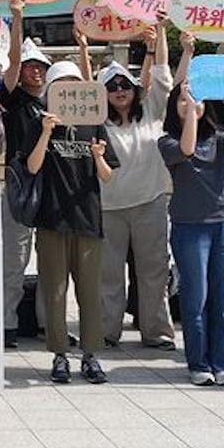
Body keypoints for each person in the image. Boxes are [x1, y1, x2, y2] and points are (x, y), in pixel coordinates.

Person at [78, 26, 177, 350]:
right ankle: (107, 331)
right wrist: (83, 46)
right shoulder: (96, 120)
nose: (119, 90)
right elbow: (86, 88)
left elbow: (162, 76)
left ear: (135, 89)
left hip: (149, 202)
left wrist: (159, 32)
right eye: (112, 87)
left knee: (154, 272)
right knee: (108, 276)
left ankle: (157, 331)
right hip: (108, 207)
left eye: (125, 85)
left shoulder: (151, 113)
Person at [161, 75, 224, 386]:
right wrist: (191, 111)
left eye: (198, 100)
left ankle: (221, 362)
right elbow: (187, 150)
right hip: (189, 228)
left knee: (222, 298)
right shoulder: (167, 141)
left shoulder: (217, 137)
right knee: (196, 296)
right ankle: (198, 362)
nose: (193, 104)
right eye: (184, 100)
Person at [25, 60, 118, 383]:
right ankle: (60, 354)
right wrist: (46, 132)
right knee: (54, 291)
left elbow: (107, 176)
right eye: (62, 85)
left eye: (74, 83)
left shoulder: (95, 122)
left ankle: (91, 355)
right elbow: (32, 167)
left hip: (88, 218)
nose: (70, 90)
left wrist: (98, 157)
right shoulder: (40, 123)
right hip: (52, 219)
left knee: (90, 291)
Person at [0, 0, 46, 347]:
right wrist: (18, 17)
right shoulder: (14, 100)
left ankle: (49, 323)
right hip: (20, 186)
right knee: (14, 259)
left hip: (53, 186)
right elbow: (12, 62)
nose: (35, 71)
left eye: (41, 67)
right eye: (30, 66)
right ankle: (7, 324)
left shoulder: (56, 102)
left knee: (55, 262)